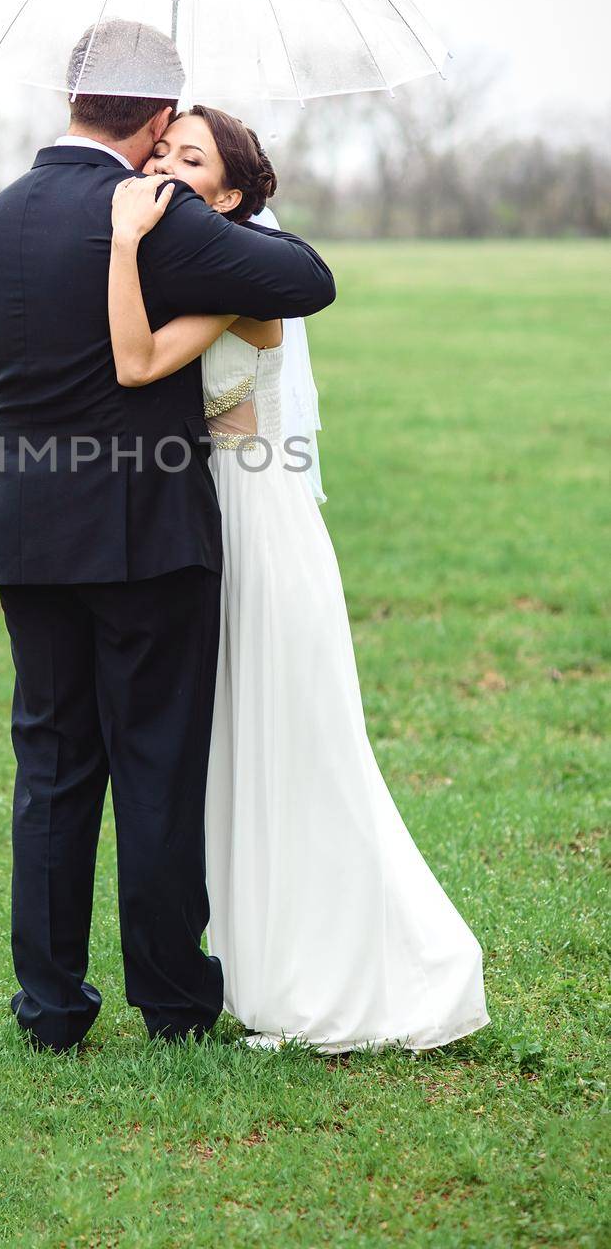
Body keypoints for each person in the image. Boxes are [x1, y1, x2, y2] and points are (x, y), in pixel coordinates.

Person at [0, 19, 336, 1052]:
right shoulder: (155, 211)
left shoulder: (0, 215)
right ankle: (170, 999)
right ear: (159, 116)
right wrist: (204, 219)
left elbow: (21, 362)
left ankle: (50, 1009)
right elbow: (306, 284)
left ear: (69, 99)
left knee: (52, 762)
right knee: (156, 764)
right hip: (145, 535)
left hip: (27, 529)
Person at [101, 105, 490, 1053]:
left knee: (288, 739)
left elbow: (137, 362)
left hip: (258, 524)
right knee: (230, 746)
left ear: (230, 196)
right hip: (203, 522)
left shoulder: (248, 283)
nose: (164, 165)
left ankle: (334, 968)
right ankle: (254, 960)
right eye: (162, 149)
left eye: (191, 159)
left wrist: (120, 242)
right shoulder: (188, 265)